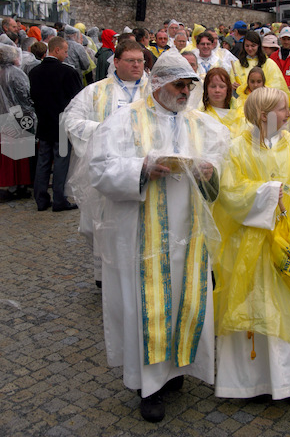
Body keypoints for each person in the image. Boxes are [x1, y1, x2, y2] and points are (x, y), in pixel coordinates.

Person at [77, 49, 228, 422]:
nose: (185, 91)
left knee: (183, 300)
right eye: (179, 84)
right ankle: (150, 386)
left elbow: (221, 160)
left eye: (190, 85)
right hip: (141, 237)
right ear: (158, 83)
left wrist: (211, 170)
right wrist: (142, 168)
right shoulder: (123, 122)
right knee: (149, 307)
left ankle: (176, 369)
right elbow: (98, 169)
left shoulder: (199, 123)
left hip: (189, 237)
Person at [212, 87, 290, 403]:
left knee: (287, 310)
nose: (287, 113)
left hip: (285, 246)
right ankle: (248, 384)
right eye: (282, 109)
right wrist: (267, 193)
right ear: (264, 113)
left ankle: (286, 383)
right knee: (249, 309)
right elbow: (228, 193)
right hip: (248, 247)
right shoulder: (237, 148)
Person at [64, 41, 147, 285]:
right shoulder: (96, 91)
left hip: (142, 169)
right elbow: (71, 120)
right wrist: (104, 130)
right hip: (106, 168)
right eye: (130, 60)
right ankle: (105, 275)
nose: (136, 65)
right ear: (117, 62)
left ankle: (140, 271)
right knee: (99, 224)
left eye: (140, 60)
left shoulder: (154, 91)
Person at [29, 36, 82, 211]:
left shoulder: (34, 72)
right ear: (56, 50)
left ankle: (41, 198)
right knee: (61, 162)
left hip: (44, 122)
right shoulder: (67, 72)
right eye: (65, 51)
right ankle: (59, 199)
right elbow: (76, 101)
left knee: (43, 161)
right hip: (61, 123)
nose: (67, 55)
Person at [0, 44, 36, 201]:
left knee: (9, 153)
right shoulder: (16, 74)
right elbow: (24, 95)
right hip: (19, 115)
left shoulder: (3, 72)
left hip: (4, 116)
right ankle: (19, 185)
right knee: (20, 154)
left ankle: (12, 184)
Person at [230, 30, 290, 100]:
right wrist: (233, 87)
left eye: (253, 46)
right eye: (247, 46)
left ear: (258, 46)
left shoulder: (269, 64)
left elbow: (277, 87)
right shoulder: (237, 65)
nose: (250, 49)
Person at [201, 68, 244, 137]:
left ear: (228, 89)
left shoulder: (241, 112)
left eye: (222, 86)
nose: (217, 90)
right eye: (213, 86)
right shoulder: (200, 115)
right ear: (206, 89)